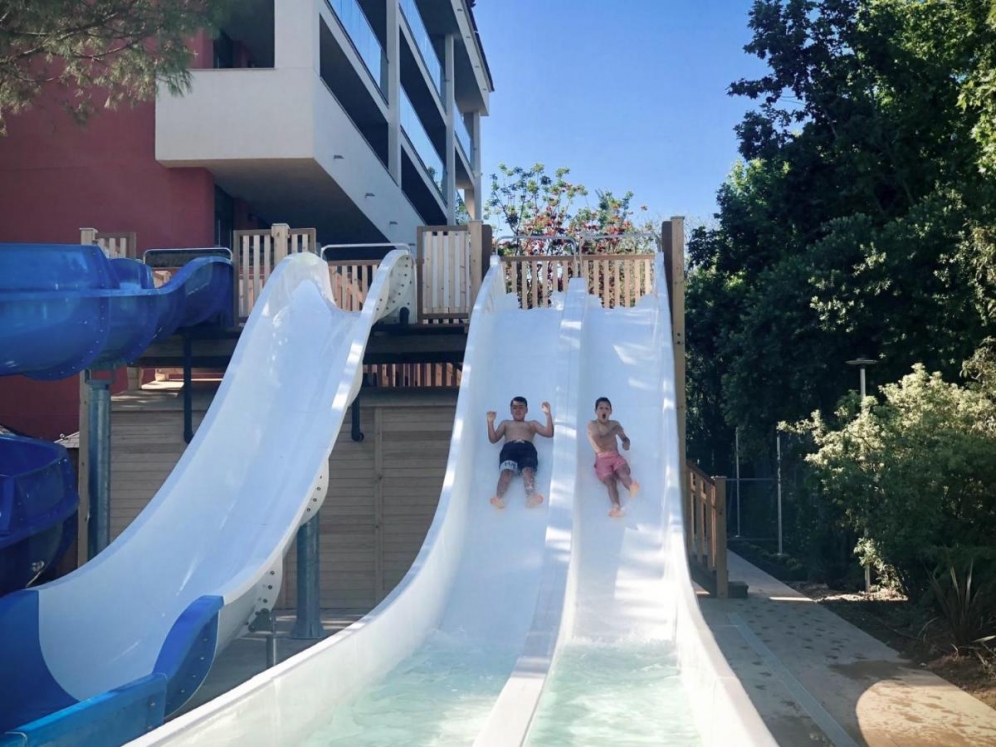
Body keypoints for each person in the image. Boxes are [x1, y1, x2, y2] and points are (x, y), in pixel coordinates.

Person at [486, 396, 554, 509]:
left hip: (527, 448)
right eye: (514, 407)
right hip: (509, 449)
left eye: (521, 407)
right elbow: (493, 439)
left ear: (526, 410)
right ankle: (498, 497)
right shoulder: (506, 423)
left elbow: (549, 433)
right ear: (510, 410)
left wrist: (548, 415)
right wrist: (490, 422)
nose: (517, 410)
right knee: (506, 472)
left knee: (528, 471)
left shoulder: (531, 424)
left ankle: (531, 497)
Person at [586, 397, 640, 517]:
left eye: (607, 408)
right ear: (595, 411)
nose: (604, 410)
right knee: (610, 482)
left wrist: (626, 443)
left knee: (622, 473)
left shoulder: (615, 424)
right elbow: (600, 443)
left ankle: (632, 487)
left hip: (615, 456)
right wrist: (614, 432)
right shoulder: (592, 425)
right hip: (601, 458)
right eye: (601, 408)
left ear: (611, 411)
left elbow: (624, 438)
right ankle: (616, 507)